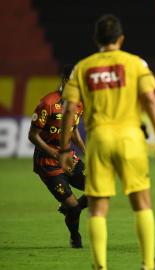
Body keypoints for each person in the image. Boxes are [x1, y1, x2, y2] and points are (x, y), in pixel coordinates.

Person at [59, 14, 155, 270]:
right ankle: (147, 265)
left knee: (97, 208)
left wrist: (65, 148)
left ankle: (100, 266)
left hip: (98, 140)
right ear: (121, 38)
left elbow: (68, 109)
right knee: (141, 202)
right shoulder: (135, 64)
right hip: (130, 139)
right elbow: (151, 101)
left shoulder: (82, 67)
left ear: (96, 38)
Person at [28, 65, 87, 248]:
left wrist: (86, 151)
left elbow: (74, 130)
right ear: (64, 80)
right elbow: (32, 135)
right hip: (48, 162)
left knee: (100, 186)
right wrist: (52, 151)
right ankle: (75, 237)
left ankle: (68, 207)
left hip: (69, 158)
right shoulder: (47, 103)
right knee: (75, 208)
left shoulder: (78, 103)